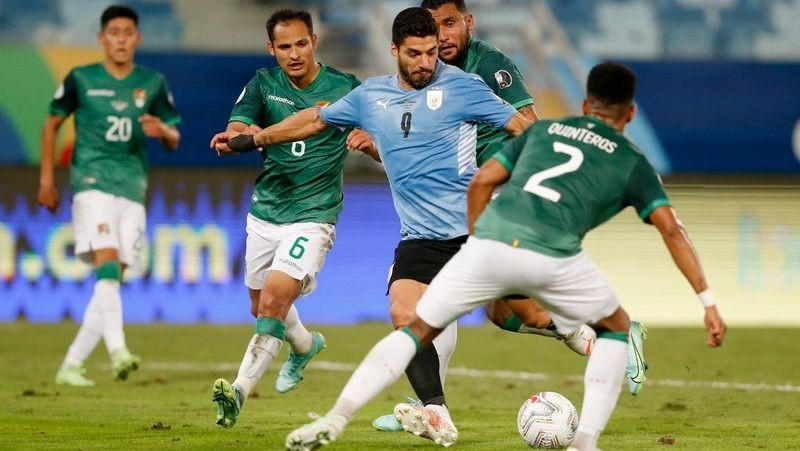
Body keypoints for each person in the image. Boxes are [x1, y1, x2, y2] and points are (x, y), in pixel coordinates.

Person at [283, 61, 727, 451]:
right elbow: (672, 230)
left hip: (490, 241)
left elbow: (480, 184)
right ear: (630, 114)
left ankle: (335, 417)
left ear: (585, 104)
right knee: (615, 327)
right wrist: (707, 302)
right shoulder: (632, 161)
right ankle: (585, 441)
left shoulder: (546, 131)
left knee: (415, 330)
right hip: (552, 252)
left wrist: (478, 241)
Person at [216, 7, 530, 447]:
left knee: (521, 315)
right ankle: (435, 412)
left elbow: (523, 128)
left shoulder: (464, 86)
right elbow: (316, 119)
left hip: (473, 231)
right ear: (394, 51)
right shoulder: (371, 96)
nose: (426, 61)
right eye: (416, 53)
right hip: (420, 238)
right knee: (405, 315)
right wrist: (257, 137)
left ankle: (598, 337)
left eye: (430, 53)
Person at [207, 9, 368, 429]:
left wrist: (368, 140)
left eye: (301, 43)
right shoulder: (263, 84)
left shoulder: (345, 88)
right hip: (266, 211)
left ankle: (238, 391)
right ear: (271, 49)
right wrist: (238, 133)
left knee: (275, 300)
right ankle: (304, 344)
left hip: (313, 215)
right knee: (261, 305)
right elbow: (239, 124)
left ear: (314, 41)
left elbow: (365, 128)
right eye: (284, 46)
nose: (294, 54)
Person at [38, 5, 180, 387]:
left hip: (132, 186)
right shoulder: (81, 79)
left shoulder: (152, 82)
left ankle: (70, 364)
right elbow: (51, 124)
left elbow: (174, 136)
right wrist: (47, 180)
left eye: (127, 32)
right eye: (113, 32)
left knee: (112, 278)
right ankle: (118, 351)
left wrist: (161, 131)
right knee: (107, 262)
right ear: (102, 38)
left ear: (137, 38)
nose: (120, 38)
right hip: (91, 181)